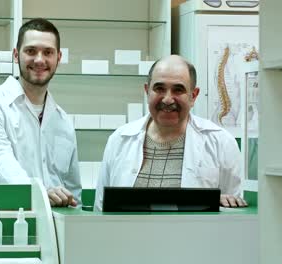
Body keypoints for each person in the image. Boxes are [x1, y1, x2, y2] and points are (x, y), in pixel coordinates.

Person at [94, 55, 247, 211]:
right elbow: (100, 208)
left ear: (193, 96)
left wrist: (224, 203)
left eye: (178, 89)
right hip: (127, 235)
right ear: (147, 91)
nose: (167, 99)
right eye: (159, 88)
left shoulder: (221, 143)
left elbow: (234, 213)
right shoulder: (119, 140)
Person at [0, 18, 81, 207]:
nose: (39, 59)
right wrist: (42, 196)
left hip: (56, 230)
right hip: (4, 227)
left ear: (58, 58)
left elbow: (74, 190)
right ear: (15, 55)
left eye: (48, 52)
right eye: (30, 51)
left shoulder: (63, 121)